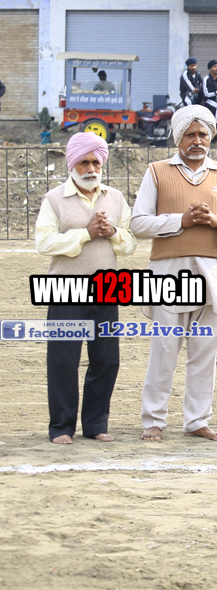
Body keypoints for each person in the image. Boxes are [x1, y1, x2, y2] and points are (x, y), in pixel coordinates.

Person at [130, 106, 217, 442]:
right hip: (168, 275)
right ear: (178, 138)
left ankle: (197, 420)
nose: (197, 140)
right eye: (190, 134)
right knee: (164, 351)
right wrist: (180, 221)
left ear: (211, 136)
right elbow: (138, 223)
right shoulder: (157, 171)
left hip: (210, 274)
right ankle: (153, 420)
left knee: (204, 351)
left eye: (203, 134)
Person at [35, 132, 137, 444]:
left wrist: (113, 232)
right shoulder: (54, 199)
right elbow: (44, 242)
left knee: (106, 359)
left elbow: (130, 243)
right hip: (66, 289)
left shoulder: (115, 197)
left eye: (96, 162)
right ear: (72, 164)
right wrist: (85, 234)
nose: (91, 168)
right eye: (84, 162)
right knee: (64, 360)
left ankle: (95, 425)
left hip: (107, 289)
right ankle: (61, 427)